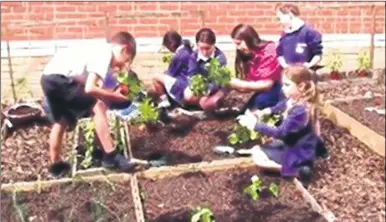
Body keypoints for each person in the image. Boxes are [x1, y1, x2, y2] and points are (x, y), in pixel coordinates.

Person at [40, 31, 137, 177]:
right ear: (124, 49)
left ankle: (55, 166)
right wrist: (113, 95)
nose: (120, 66)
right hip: (60, 80)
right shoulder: (106, 53)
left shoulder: (95, 49)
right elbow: (90, 88)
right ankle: (111, 157)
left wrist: (106, 91)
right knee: (98, 107)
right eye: (126, 60)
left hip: (48, 79)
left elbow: (80, 81)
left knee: (61, 121)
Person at [237, 65, 328, 183]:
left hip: (299, 150)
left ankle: (298, 170)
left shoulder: (300, 111)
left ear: (301, 86)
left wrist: (255, 125)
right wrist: (267, 111)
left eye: (287, 85)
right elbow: (282, 105)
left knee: (260, 159)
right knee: (257, 149)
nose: (282, 89)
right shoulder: (295, 99)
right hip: (294, 143)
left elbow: (280, 132)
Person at [229, 24, 283, 111]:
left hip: (279, 86)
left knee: (260, 102)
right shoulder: (248, 54)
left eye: (239, 44)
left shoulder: (268, 51)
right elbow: (251, 82)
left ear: (248, 39)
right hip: (262, 89)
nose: (238, 48)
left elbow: (267, 85)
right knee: (245, 111)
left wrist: (240, 84)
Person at [184, 28, 228, 111]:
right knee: (187, 96)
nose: (204, 52)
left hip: (216, 88)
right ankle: (198, 104)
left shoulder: (220, 58)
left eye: (207, 48)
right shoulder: (194, 56)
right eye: (201, 48)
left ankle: (205, 105)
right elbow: (191, 74)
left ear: (213, 45)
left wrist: (207, 91)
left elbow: (217, 81)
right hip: (201, 87)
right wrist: (196, 87)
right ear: (197, 45)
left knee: (207, 104)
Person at [275, 3, 323, 71]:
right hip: (288, 74)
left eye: (280, 17)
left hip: (306, 74)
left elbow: (318, 54)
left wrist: (309, 65)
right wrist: (286, 67)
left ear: (290, 14)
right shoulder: (284, 35)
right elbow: (280, 54)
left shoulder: (309, 32)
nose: (280, 21)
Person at [152, 31, 193, 109]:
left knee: (155, 77)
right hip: (188, 82)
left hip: (183, 85)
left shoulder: (179, 56)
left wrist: (164, 73)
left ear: (172, 45)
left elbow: (170, 74)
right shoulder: (187, 50)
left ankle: (164, 102)